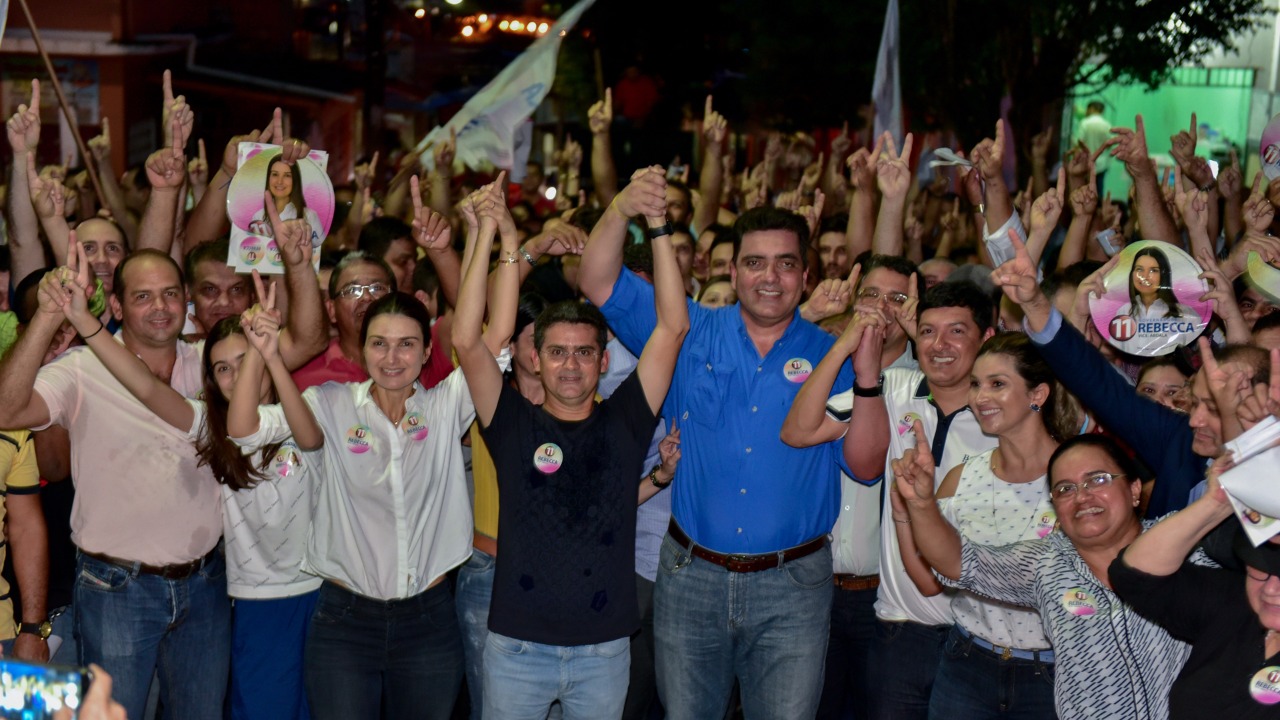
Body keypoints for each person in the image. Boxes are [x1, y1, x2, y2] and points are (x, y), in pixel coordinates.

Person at [226, 191, 512, 719]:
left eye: (407, 344)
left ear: (428, 352)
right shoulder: (332, 405)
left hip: (429, 622)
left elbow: (486, 336)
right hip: (343, 623)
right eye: (379, 343)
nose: (392, 357)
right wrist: (261, 356)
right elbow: (243, 430)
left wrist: (492, 238)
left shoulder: (448, 405)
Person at [580, 168, 852, 719]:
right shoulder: (687, 329)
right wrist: (623, 207)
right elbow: (598, 281)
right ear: (732, 269)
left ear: (805, 275)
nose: (768, 277)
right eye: (754, 262)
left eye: (785, 263)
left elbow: (865, 466)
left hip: (793, 588)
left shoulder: (835, 355)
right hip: (691, 579)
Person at [52, 209, 323, 720]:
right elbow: (149, 388)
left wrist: (283, 306)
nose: (233, 374)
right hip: (180, 592)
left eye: (244, 361)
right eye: (221, 368)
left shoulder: (304, 412)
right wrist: (87, 323)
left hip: (294, 592)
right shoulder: (207, 422)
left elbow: (308, 430)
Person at [455, 170, 685, 719]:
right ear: (534, 358)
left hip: (604, 652)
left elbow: (672, 328)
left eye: (585, 353)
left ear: (604, 362)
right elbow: (467, 339)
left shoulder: (626, 419)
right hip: (516, 648)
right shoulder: (511, 421)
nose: (571, 365)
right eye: (557, 352)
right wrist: (495, 234)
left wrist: (657, 226)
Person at [0, 247, 229, 720]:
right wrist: (48, 314)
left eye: (170, 294)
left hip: (206, 583)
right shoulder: (81, 368)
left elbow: (303, 342)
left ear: (186, 299)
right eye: (143, 296)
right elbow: (5, 411)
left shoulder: (215, 362)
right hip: (115, 589)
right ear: (119, 307)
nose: (160, 306)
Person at [783, 281, 998, 720]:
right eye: (928, 331)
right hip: (901, 629)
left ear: (987, 339)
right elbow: (798, 431)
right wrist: (847, 350)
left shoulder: (1003, 413)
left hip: (980, 636)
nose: (939, 345)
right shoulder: (894, 388)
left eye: (956, 332)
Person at [895, 434, 1196, 719]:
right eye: (1065, 489)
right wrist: (922, 504)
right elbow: (961, 562)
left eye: (1097, 479)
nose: (1082, 497)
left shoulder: (1185, 544)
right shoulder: (1047, 563)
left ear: (1133, 490)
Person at [892, 332, 1064, 719]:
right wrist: (910, 506)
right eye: (976, 384)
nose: (980, 397)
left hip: (1052, 673)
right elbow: (930, 579)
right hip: (967, 663)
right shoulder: (961, 478)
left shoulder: (1075, 481)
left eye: (997, 384)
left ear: (1037, 394)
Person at [1112, 456, 1280, 719]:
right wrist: (1216, 504)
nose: (1270, 589)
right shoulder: (1235, 605)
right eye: (1259, 571)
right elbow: (1133, 575)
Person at [248, 155, 323, 253]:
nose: (280, 181)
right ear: (268, 178)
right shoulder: (258, 216)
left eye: (287, 175)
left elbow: (318, 255)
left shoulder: (309, 216)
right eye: (275, 174)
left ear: (295, 180)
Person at [1114, 247, 1196, 321]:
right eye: (1139, 269)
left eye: (1153, 270)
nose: (1145, 276)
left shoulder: (1186, 314)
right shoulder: (1123, 312)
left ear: (1163, 275)